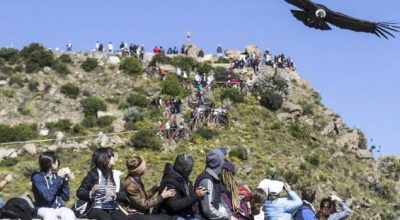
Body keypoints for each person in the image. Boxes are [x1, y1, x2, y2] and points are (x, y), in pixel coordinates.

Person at [77, 147, 128, 220]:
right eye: (111, 155)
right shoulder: (93, 174)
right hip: (95, 208)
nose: (113, 157)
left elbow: (123, 195)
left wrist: (115, 195)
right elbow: (80, 192)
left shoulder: (115, 175)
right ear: (104, 158)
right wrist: (91, 193)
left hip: (113, 208)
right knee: (106, 218)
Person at [155, 154, 207, 220]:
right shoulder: (170, 182)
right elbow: (174, 205)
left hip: (182, 214)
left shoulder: (184, 179)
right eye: (189, 169)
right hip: (169, 215)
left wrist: (196, 192)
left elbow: (187, 196)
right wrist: (195, 195)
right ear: (185, 169)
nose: (190, 171)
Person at [31, 151, 75, 220]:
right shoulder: (37, 178)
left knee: (69, 214)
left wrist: (65, 182)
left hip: (58, 207)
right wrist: (59, 178)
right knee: (50, 216)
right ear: (52, 164)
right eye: (57, 161)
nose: (59, 163)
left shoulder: (56, 176)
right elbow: (48, 197)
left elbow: (66, 198)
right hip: (43, 208)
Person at [194, 148, 234, 220]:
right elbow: (208, 209)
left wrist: (230, 215)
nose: (223, 163)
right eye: (222, 161)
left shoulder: (214, 179)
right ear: (218, 162)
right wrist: (227, 217)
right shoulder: (206, 180)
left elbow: (220, 200)